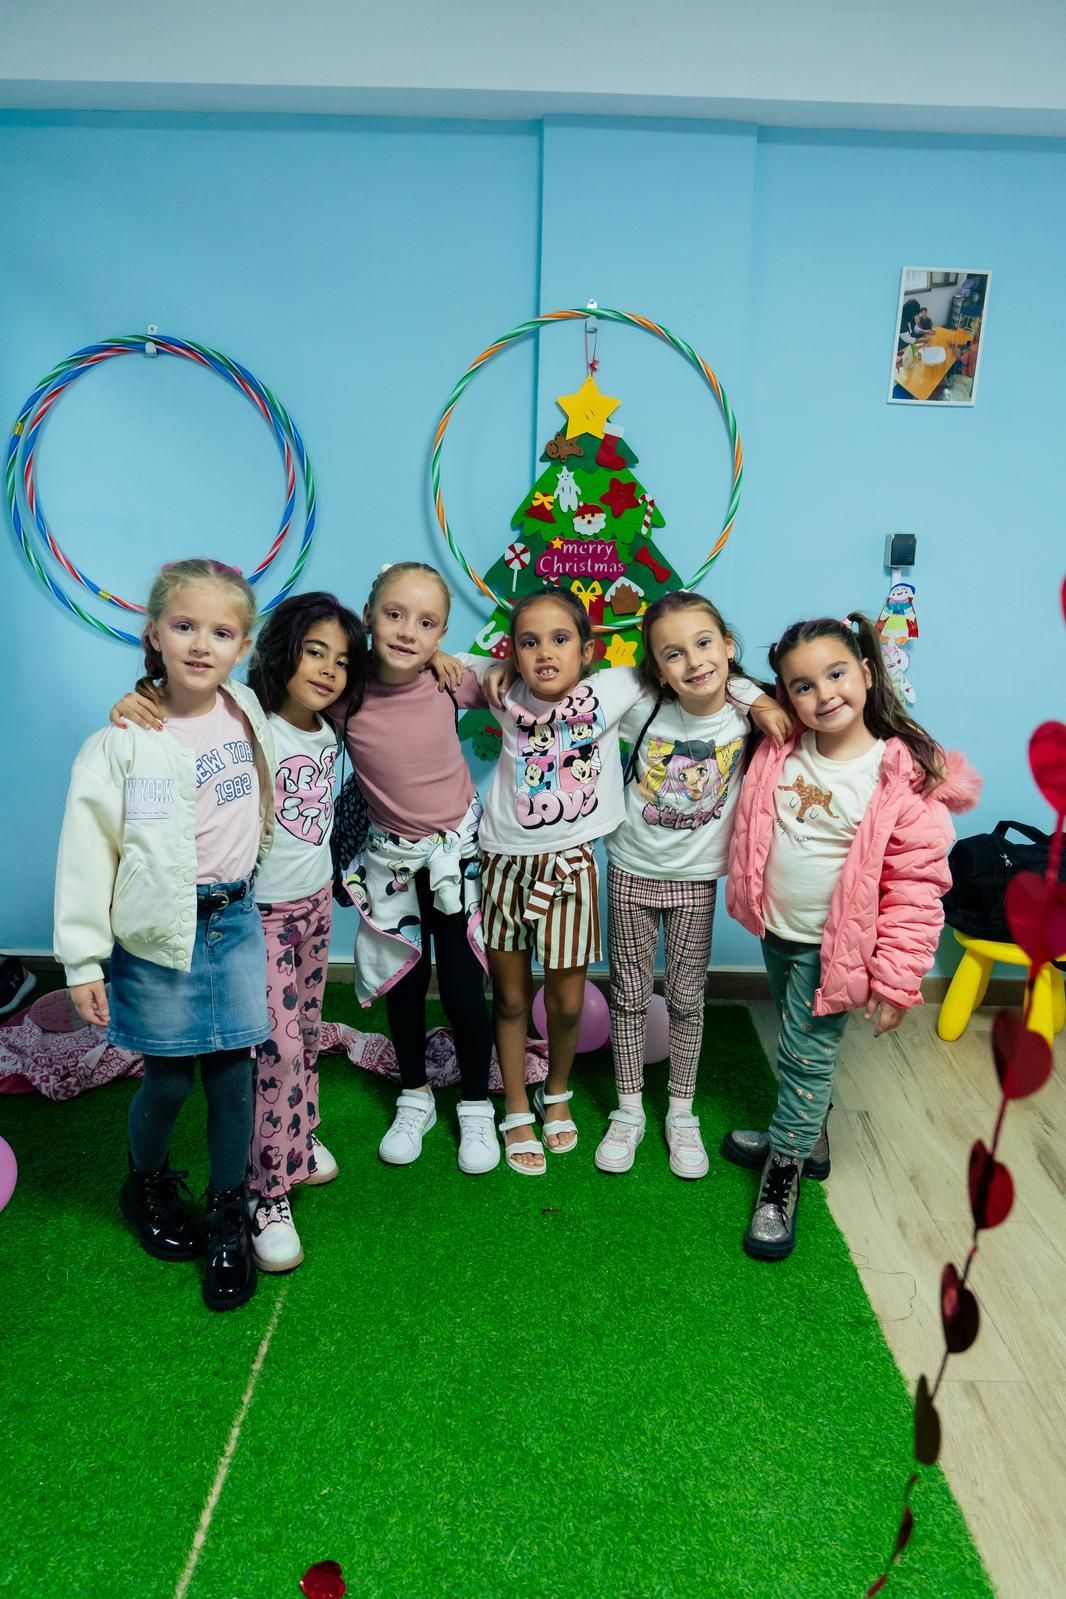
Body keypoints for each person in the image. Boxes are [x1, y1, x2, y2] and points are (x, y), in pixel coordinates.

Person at [110, 591, 370, 1271]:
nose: (327, 670)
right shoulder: (247, 714)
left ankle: (300, 1137)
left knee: (306, 1033)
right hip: (257, 913)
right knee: (272, 1051)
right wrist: (139, 695)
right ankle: (263, 1191)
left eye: (341, 661)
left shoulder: (331, 727)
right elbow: (191, 683)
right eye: (315, 651)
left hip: (315, 906)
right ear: (280, 648)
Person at [723, 613, 980, 1260]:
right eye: (801, 685)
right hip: (779, 932)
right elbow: (711, 678)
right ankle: (808, 1134)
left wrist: (896, 978)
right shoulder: (781, 748)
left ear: (867, 673)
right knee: (792, 1038)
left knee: (806, 1056)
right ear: (785, 695)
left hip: (834, 948)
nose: (823, 694)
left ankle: (783, 1173)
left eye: (836, 673)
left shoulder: (900, 777)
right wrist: (755, 698)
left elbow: (917, 886)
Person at [55, 558, 274, 1311]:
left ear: (243, 646)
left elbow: (336, 668)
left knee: (234, 1076)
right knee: (171, 1077)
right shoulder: (119, 741)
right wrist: (83, 959)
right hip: (159, 934)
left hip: (235, 921)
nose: (202, 644)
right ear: (154, 633)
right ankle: (144, 1185)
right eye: (184, 626)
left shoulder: (246, 708)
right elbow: (87, 853)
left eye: (221, 631)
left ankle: (224, 1210)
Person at [594, 592, 791, 1180]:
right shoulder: (641, 706)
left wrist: (754, 696)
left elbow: (774, 700)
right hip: (630, 868)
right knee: (628, 994)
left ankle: (681, 1112)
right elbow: (587, 691)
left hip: (696, 881)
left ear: (728, 645)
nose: (694, 662)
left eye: (705, 644)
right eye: (672, 654)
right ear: (655, 668)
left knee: (686, 999)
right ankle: (628, 1110)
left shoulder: (743, 712)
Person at [339, 563, 498, 1176]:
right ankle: (415, 1095)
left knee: (462, 989)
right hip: (391, 864)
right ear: (369, 614)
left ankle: (478, 1107)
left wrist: (465, 662)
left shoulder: (448, 681)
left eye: (426, 623)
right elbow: (278, 705)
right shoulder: (344, 692)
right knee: (403, 983)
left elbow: (521, 684)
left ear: (442, 635)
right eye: (395, 615)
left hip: (456, 858)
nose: (408, 631)